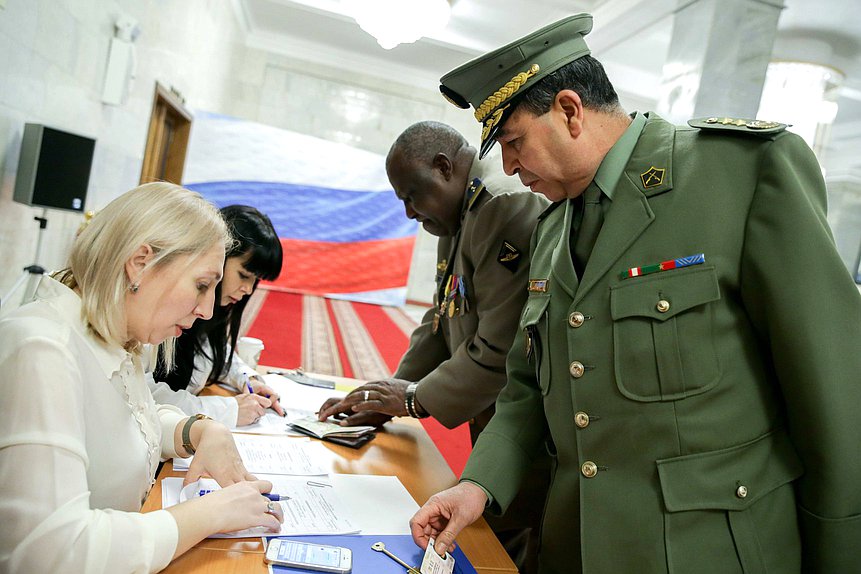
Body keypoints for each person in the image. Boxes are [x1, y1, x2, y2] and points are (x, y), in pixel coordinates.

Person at [409, 13, 861, 574]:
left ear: (570, 111)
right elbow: (528, 387)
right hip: (576, 545)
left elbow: (833, 387)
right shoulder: (553, 231)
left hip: (711, 550)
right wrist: (478, 482)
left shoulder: (740, 173)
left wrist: (841, 551)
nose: (507, 166)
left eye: (512, 141)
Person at [0, 182, 284, 573]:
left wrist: (196, 429)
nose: (206, 309)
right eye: (201, 285)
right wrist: (209, 513)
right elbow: (49, 554)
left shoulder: (114, 337)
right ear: (140, 263)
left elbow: (121, 418)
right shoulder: (41, 347)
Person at [317, 121, 549, 572]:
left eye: (411, 197)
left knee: (506, 547)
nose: (408, 213)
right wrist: (389, 392)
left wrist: (410, 399)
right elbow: (442, 321)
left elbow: (500, 350)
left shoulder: (502, 207)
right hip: (490, 415)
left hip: (526, 430)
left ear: (444, 168)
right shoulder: (459, 212)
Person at [149, 204, 286, 426]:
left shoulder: (212, 313)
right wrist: (228, 411)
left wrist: (248, 378)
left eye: (255, 280)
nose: (248, 290)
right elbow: (145, 397)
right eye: (243, 275)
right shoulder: (165, 311)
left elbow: (214, 353)